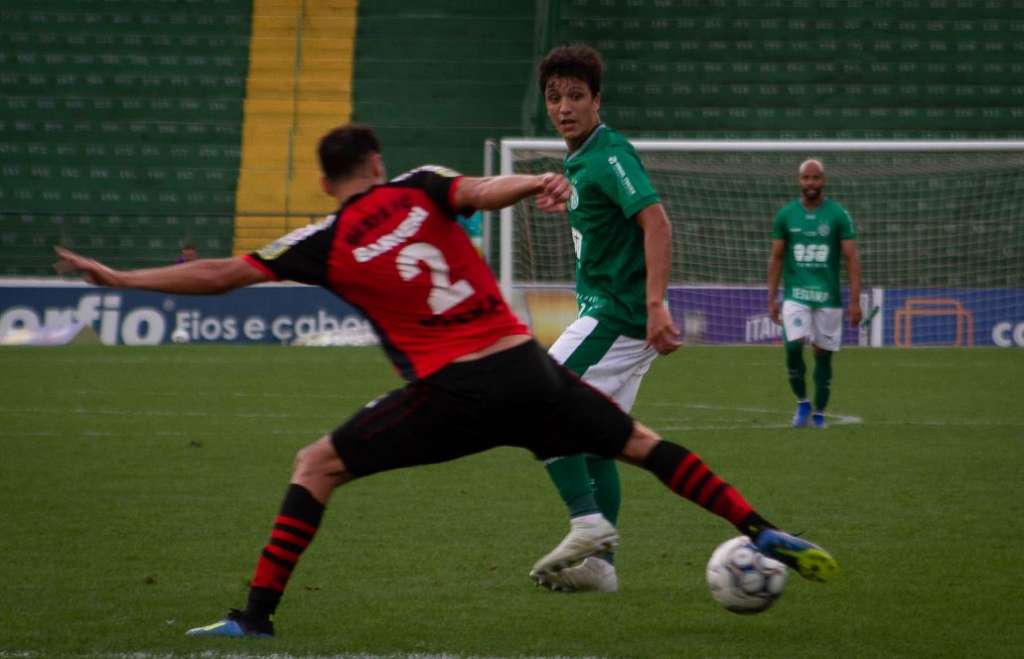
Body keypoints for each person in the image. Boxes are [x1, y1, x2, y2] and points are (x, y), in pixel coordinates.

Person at [55, 124, 838, 639]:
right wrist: (533, 183)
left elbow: (224, 273)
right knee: (639, 441)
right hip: (524, 368)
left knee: (315, 464)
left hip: (452, 394)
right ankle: (760, 525)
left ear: (330, 182)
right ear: (374, 163)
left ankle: (253, 617)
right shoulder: (424, 182)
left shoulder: (322, 238)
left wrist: (121, 277)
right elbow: (480, 189)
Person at [528, 45, 681, 593]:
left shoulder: (609, 153)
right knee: (596, 439)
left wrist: (657, 304)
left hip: (617, 316)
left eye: (575, 96)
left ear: (597, 100)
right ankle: (603, 566)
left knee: (535, 397)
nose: (564, 107)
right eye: (554, 97)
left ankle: (587, 526)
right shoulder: (581, 161)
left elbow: (656, 223)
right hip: (612, 315)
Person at [767, 159, 862, 429]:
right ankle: (802, 403)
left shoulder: (838, 215)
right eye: (806, 178)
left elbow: (852, 258)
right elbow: (776, 258)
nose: (811, 183)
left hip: (828, 298)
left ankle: (819, 412)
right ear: (799, 181)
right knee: (793, 346)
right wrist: (771, 297)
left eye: (816, 178)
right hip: (796, 295)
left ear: (824, 180)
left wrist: (855, 301)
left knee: (823, 354)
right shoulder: (786, 215)